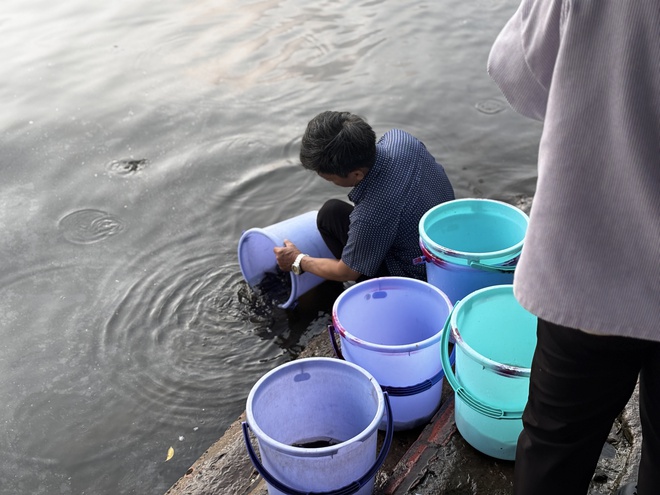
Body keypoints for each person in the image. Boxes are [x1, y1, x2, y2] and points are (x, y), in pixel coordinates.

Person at [487, 1, 660, 494]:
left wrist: (599, 100)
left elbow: (515, 72)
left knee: (556, 444)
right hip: (589, 272)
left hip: (588, 266)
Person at [274, 111, 454, 282]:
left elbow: (347, 272)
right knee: (334, 211)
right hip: (450, 239)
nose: (330, 182)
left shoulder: (372, 213)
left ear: (357, 174)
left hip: (421, 273)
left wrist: (298, 260)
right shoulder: (400, 139)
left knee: (329, 216)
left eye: (329, 178)